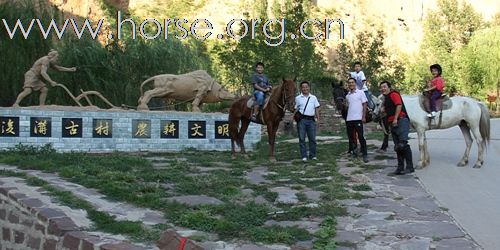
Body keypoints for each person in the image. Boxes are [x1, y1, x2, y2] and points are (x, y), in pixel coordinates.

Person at [12, 49, 77, 107]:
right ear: (52, 56)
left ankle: (41, 106)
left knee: (44, 90)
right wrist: (51, 81)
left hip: (36, 77)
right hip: (31, 75)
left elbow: (58, 68)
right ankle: (16, 104)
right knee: (27, 91)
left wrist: (70, 69)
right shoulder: (45, 60)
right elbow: (43, 73)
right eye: (56, 57)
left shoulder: (50, 61)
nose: (57, 59)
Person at [379, 80, 414, 175]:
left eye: (384, 86)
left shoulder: (393, 94)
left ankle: (410, 167)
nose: (383, 89)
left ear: (389, 87)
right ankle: (400, 167)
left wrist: (395, 119)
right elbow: (389, 110)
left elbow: (399, 105)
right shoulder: (386, 98)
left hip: (400, 120)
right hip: (392, 123)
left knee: (403, 144)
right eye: (381, 87)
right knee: (397, 146)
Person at [295, 81, 321, 162]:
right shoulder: (298, 98)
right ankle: (304, 156)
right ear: (301, 88)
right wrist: (293, 119)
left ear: (309, 87)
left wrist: (318, 119)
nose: (305, 88)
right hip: (302, 120)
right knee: (302, 138)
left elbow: (317, 108)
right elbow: (296, 110)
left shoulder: (313, 97)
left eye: (306, 87)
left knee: (312, 139)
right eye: (303, 87)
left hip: (311, 120)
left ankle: (312, 155)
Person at [346, 77, 369, 163]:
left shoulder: (360, 92)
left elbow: (364, 105)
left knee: (361, 136)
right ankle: (355, 152)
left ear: (355, 83)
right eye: (349, 83)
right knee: (352, 137)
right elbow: (348, 107)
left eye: (352, 82)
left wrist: (363, 117)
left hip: (358, 119)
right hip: (349, 119)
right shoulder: (347, 96)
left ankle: (365, 154)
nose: (351, 84)